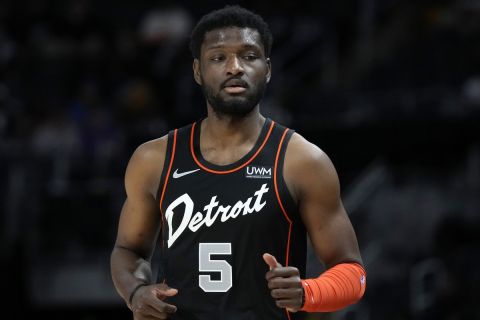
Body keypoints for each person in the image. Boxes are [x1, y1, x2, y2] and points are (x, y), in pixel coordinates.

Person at [110, 5, 366, 320]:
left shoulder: (302, 161)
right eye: (218, 58)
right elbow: (127, 251)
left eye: (249, 56)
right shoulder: (154, 159)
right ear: (197, 71)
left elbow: (353, 274)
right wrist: (136, 291)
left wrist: (308, 293)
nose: (235, 67)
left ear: (268, 69)